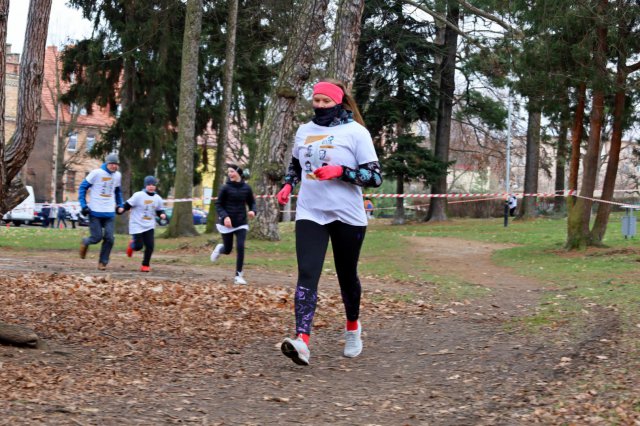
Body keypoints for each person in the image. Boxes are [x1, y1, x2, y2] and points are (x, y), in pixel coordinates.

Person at [276, 79, 382, 366]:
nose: (320, 106)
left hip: (347, 214)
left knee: (346, 275)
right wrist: (288, 185)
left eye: (326, 101)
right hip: (311, 211)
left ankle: (352, 328)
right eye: (316, 100)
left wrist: (340, 171)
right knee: (307, 273)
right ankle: (302, 341)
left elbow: (374, 176)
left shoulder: (356, 132)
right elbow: (297, 164)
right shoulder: (304, 130)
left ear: (338, 102)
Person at [210, 164, 256, 285]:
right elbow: (218, 204)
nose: (230, 174)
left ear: (238, 173)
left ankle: (238, 275)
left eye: (232, 171)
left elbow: (252, 203)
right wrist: (225, 217)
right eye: (228, 172)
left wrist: (252, 211)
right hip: (227, 224)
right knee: (228, 249)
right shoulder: (225, 188)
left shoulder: (247, 188)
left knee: (240, 247)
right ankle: (220, 248)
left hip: (241, 222)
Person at [78, 153, 124, 270]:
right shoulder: (96, 173)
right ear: (107, 163)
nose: (114, 166)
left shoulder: (118, 176)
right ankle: (85, 242)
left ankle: (102, 262)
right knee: (96, 238)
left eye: (116, 164)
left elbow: (118, 191)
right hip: (95, 212)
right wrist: (84, 205)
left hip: (109, 212)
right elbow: (82, 187)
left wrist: (120, 204)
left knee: (110, 238)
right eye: (112, 164)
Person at [123, 176, 166, 272]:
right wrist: (122, 209)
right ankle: (132, 245)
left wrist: (162, 214)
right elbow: (127, 204)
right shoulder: (138, 195)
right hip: (137, 224)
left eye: (153, 185)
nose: (151, 187)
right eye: (149, 185)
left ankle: (145, 265)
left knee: (150, 246)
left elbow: (159, 209)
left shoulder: (157, 198)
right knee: (138, 246)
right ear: (145, 185)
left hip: (149, 225)